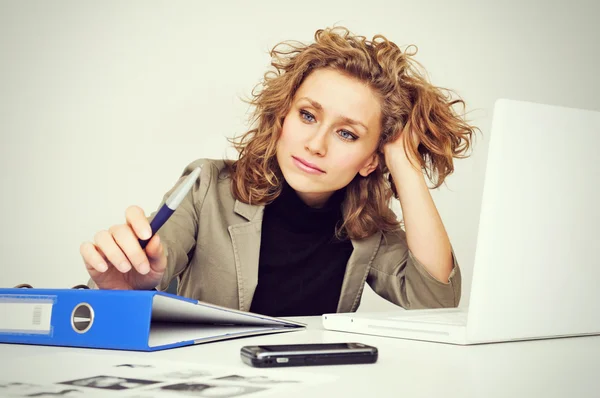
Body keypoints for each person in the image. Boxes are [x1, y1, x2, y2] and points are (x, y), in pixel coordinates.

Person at [80, 26, 477, 317]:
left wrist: (404, 163)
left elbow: (436, 301)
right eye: (308, 115)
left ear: (371, 159)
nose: (316, 144)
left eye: (347, 133)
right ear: (283, 116)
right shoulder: (206, 187)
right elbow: (151, 261)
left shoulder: (367, 231)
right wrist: (131, 288)